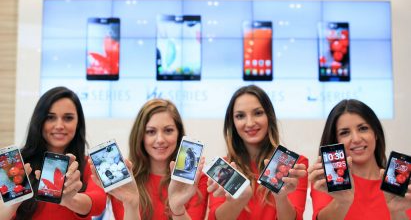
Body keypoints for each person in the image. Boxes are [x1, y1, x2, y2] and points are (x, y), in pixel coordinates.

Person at [0, 86, 106, 220]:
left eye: (68, 118)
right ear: (39, 121)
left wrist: (70, 200)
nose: (59, 125)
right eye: (50, 117)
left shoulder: (89, 164)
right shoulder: (18, 164)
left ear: (78, 123)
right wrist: (14, 201)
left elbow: (98, 203)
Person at [94, 98, 208, 220]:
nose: (160, 139)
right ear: (140, 136)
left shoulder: (197, 179)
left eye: (168, 130)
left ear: (179, 134)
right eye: (151, 132)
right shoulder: (124, 180)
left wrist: (178, 209)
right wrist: (131, 204)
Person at [207, 85, 308, 220]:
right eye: (240, 116)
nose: (250, 123)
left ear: (269, 117)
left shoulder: (295, 164)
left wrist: (281, 198)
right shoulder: (224, 167)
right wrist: (240, 199)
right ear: (232, 123)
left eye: (258, 113)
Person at [308, 99, 411, 220]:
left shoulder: (401, 181)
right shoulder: (325, 181)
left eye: (363, 128)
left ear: (375, 133)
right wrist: (342, 203)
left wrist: (397, 213)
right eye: (345, 132)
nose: (356, 139)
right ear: (336, 141)